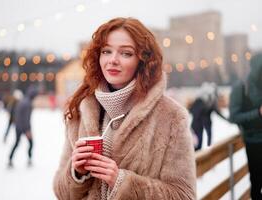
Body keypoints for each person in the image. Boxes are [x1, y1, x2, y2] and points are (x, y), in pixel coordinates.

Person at [53, 17, 196, 200]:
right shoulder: (81, 110)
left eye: (126, 53)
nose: (113, 60)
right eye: (106, 51)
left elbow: (184, 195)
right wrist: (77, 173)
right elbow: (61, 193)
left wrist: (123, 183)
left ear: (142, 60)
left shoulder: (172, 117)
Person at [229, 52, 262, 200]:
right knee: (257, 185)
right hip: (253, 142)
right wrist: (258, 113)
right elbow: (234, 117)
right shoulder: (241, 87)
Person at [190, 82, 227, 151]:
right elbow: (193, 112)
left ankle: (207, 150)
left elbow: (216, 111)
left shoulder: (210, 99)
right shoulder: (202, 99)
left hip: (202, 120)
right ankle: (198, 153)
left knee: (202, 139)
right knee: (197, 141)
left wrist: (228, 119)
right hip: (198, 121)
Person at [7, 86, 38, 168]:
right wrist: (27, 130)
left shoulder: (23, 101)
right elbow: (26, 118)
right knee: (31, 143)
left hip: (18, 126)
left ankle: (10, 159)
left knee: (17, 143)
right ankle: (29, 160)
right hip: (23, 127)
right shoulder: (28, 104)